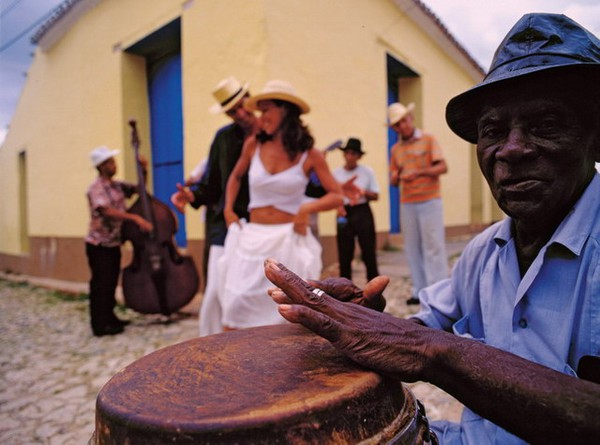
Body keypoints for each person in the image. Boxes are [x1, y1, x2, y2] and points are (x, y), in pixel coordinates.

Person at [265, 13, 600, 445]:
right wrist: (364, 322)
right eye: (493, 131)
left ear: (596, 137)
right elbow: (425, 327)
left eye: (546, 125)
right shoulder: (483, 253)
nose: (512, 149)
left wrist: (432, 353)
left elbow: (427, 344)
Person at [221, 79, 344, 330]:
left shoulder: (310, 154)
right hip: (252, 238)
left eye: (266, 109)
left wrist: (306, 209)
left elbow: (337, 195)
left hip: (288, 239)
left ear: (285, 110)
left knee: (289, 313)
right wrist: (228, 209)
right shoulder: (253, 144)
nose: (260, 116)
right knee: (236, 305)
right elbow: (235, 176)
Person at [170, 76, 258, 336]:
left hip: (264, 226)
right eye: (232, 111)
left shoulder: (274, 133)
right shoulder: (223, 138)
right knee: (217, 293)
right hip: (226, 225)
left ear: (251, 98)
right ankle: (215, 348)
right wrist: (192, 196)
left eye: (242, 106)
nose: (240, 114)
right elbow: (212, 186)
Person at [85, 146, 152, 336]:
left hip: (113, 243)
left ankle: (110, 317)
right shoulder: (96, 188)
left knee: (111, 282)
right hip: (99, 244)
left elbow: (139, 189)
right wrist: (135, 218)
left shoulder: (116, 186)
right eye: (110, 162)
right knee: (101, 284)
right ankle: (99, 324)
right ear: (101, 166)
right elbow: (105, 210)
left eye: (113, 161)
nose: (114, 165)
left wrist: (143, 170)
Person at [389, 101, 449, 305]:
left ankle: (439, 291)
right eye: (397, 124)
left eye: (403, 120)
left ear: (411, 118)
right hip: (407, 202)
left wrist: (419, 172)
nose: (402, 126)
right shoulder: (396, 149)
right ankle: (419, 291)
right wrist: (396, 176)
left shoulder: (428, 139)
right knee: (412, 248)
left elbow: (442, 167)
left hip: (430, 200)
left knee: (433, 246)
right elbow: (393, 178)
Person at [333, 138, 380, 281]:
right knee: (344, 253)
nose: (350, 156)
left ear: (359, 156)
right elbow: (332, 196)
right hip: (344, 211)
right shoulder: (336, 173)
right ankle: (345, 288)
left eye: (353, 153)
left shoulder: (367, 172)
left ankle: (373, 285)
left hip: (362, 210)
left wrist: (363, 192)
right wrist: (339, 206)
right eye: (347, 153)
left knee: (368, 250)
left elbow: (376, 195)